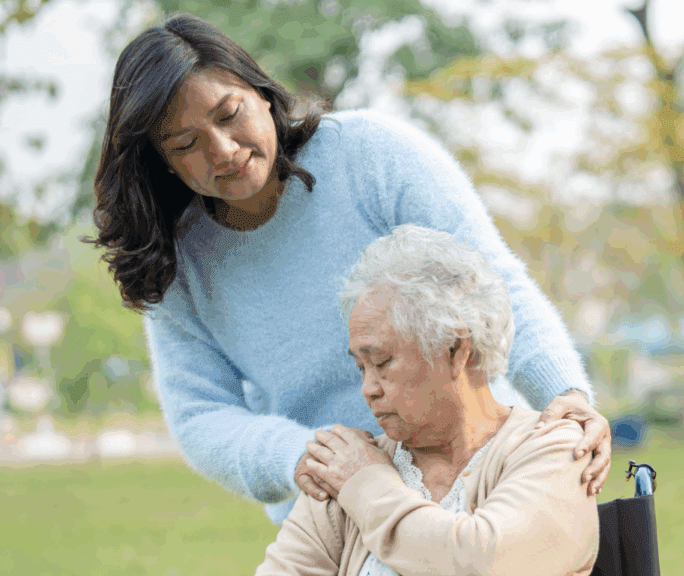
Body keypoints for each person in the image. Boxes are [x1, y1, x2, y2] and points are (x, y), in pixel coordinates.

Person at [89, 13, 611, 524]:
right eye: (186, 144)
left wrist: (565, 394)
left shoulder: (371, 154)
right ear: (164, 160)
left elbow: (495, 285)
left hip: (479, 475)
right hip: (338, 513)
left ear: (262, 94)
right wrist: (306, 456)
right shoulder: (174, 260)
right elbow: (200, 416)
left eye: (229, 115)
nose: (222, 150)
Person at [255, 224, 599, 576]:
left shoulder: (555, 450)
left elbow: (484, 563)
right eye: (361, 367)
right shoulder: (348, 465)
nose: (368, 388)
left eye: (382, 362)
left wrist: (365, 485)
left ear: (455, 350)